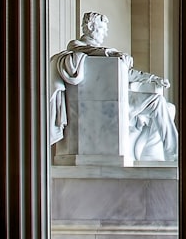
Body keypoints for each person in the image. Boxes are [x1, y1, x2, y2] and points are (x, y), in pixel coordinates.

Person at [49, 12, 178, 161]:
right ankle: (172, 153)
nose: (106, 33)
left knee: (161, 103)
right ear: (91, 27)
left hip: (115, 101)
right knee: (158, 103)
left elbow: (128, 74)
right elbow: (84, 51)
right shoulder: (78, 49)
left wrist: (154, 79)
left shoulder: (105, 54)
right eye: (103, 29)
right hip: (103, 106)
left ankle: (170, 153)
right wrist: (111, 53)